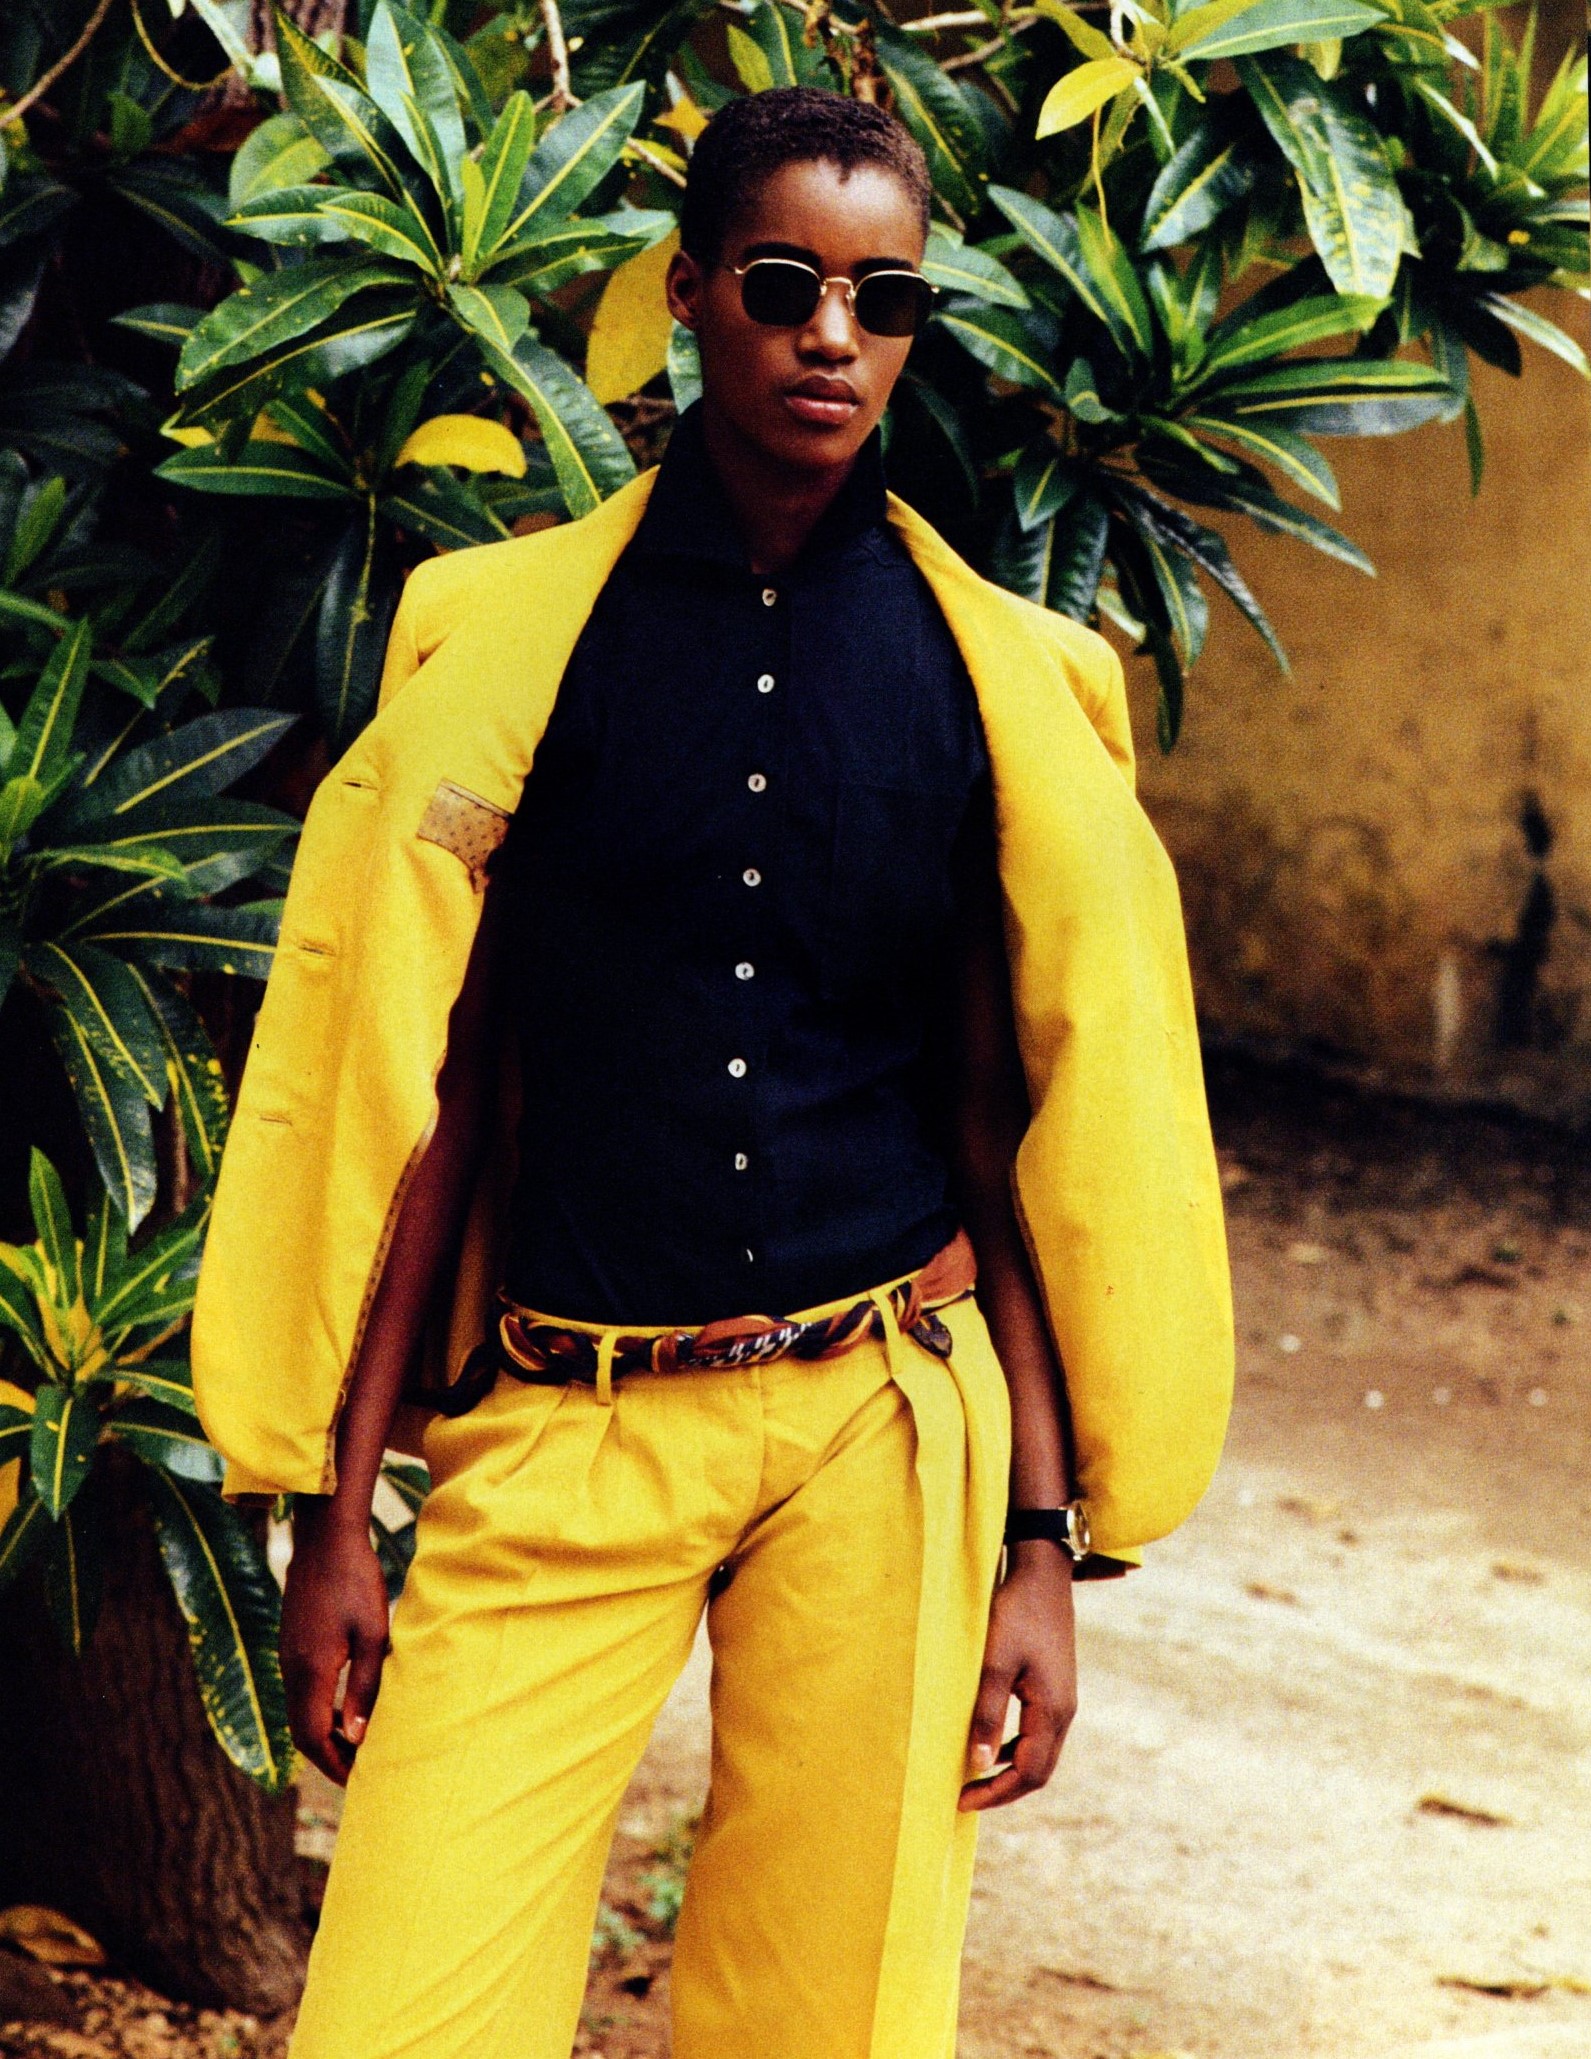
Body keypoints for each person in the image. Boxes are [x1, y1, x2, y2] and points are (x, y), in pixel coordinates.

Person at [193, 87, 1232, 2059]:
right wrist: (336, 1512)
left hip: (880, 1423)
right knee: (400, 2014)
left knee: (828, 2022)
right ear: (688, 296)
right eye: (782, 284)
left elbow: (996, 1125)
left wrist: (1039, 1545)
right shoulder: (513, 645)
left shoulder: (990, 677)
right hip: (564, 1417)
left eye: (882, 297)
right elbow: (440, 1093)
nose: (833, 335)